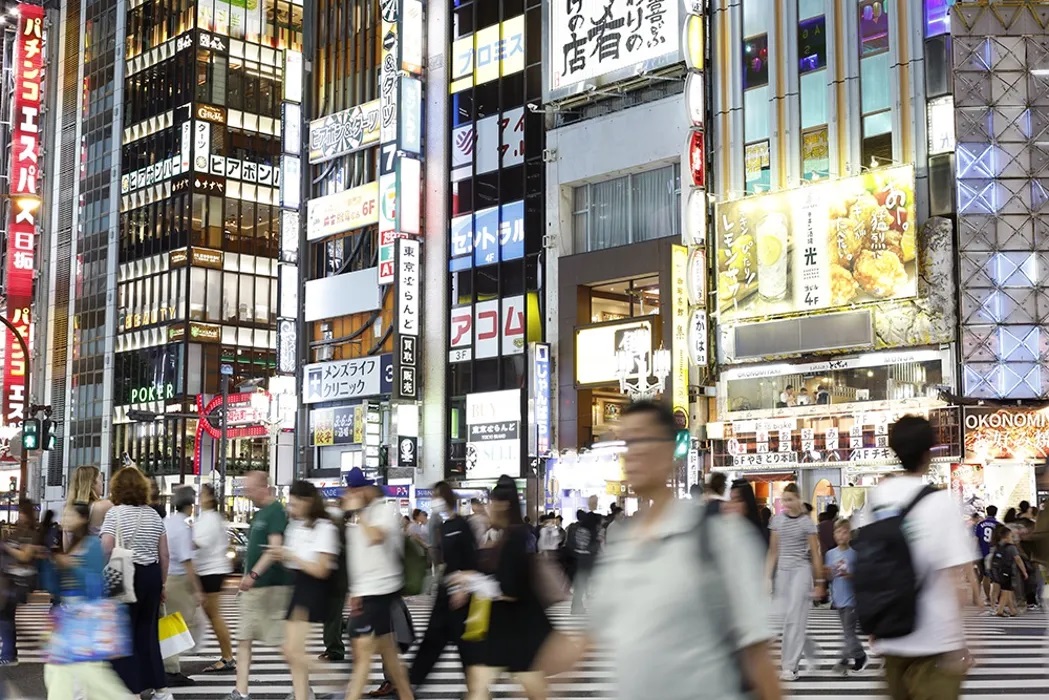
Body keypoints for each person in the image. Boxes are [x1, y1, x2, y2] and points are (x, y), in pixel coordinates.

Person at [577, 400, 781, 700]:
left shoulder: (720, 538)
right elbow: (590, 636)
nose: (632, 453)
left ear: (671, 450)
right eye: (627, 442)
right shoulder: (622, 545)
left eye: (642, 439)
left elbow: (758, 655)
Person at [857, 415, 974, 700]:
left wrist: (875, 623)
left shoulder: (875, 499)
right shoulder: (939, 502)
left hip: (892, 640)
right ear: (928, 453)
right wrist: (964, 642)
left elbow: (865, 565)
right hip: (935, 642)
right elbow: (956, 580)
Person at [371, 482, 480, 698]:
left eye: (436, 496)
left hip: (461, 594)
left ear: (446, 498)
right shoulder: (444, 526)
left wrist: (463, 588)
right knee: (432, 640)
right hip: (445, 591)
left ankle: (478, 689)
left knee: (465, 646)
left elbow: (472, 559)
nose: (434, 501)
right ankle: (410, 684)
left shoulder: (462, 525)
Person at [466, 475, 557, 700]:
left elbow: (510, 589)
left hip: (516, 629)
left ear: (503, 504)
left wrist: (474, 582)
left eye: (490, 503)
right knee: (480, 682)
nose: (487, 508)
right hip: (509, 629)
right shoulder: (509, 535)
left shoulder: (515, 537)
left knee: (528, 689)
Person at [42, 501, 132, 698]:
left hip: (86, 618)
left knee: (91, 675)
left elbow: (95, 583)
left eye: (70, 515)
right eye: (64, 515)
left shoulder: (91, 545)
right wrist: (47, 563)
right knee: (60, 670)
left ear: (82, 519)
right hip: (68, 617)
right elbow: (54, 587)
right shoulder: (70, 545)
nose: (64, 519)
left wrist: (70, 565)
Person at [100, 466, 171, 698]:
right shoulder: (153, 515)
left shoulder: (114, 513)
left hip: (125, 573)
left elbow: (107, 547)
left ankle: (130, 688)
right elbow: (165, 554)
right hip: (151, 576)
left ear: (117, 489)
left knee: (122, 632)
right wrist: (161, 584)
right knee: (148, 632)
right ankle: (161, 689)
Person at [342, 468, 413, 700]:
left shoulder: (384, 509)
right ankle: (406, 696)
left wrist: (359, 512)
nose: (353, 492)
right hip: (367, 592)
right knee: (390, 656)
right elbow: (359, 556)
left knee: (362, 658)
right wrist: (354, 592)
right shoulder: (360, 514)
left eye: (357, 488)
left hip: (381, 590)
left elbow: (375, 537)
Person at [226, 471, 293, 700]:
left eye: (250, 488)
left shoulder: (275, 512)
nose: (247, 492)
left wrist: (253, 575)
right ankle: (241, 691)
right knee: (244, 638)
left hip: (271, 587)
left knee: (282, 643)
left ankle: (304, 689)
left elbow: (275, 550)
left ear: (263, 487)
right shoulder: (260, 513)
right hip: (256, 588)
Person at [276, 480, 339, 700]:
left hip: (314, 588)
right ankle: (302, 695)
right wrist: (284, 556)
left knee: (292, 651)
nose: (291, 509)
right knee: (291, 651)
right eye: (290, 504)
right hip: (299, 585)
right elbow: (292, 559)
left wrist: (291, 556)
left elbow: (322, 569)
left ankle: (334, 679)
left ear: (308, 501)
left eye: (295, 504)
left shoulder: (324, 527)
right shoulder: (295, 525)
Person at [766, 483, 825, 681]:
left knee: (795, 619)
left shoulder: (807, 523)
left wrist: (819, 581)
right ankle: (808, 649)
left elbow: (815, 553)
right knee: (785, 618)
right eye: (784, 500)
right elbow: (773, 551)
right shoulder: (777, 521)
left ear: (799, 499)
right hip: (783, 572)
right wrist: (766, 577)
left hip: (801, 571)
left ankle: (789, 666)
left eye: (790, 499)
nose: (786, 504)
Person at [163, 485, 206, 687]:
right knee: (177, 625)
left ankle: (170, 668)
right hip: (178, 581)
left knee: (171, 623)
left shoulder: (167, 523)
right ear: (189, 505)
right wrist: (197, 590)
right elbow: (187, 561)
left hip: (166, 577)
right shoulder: (182, 528)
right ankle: (170, 670)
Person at [194, 483, 235, 673]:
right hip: (207, 570)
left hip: (212, 571)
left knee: (214, 615)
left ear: (210, 498)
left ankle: (227, 657)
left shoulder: (211, 518)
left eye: (202, 494)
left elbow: (200, 543)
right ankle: (227, 656)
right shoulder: (206, 517)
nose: (199, 497)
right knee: (211, 615)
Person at [0, 498, 41, 665]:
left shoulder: (32, 534)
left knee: (5, 615)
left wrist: (7, 547)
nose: (21, 515)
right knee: (6, 615)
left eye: (23, 512)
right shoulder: (18, 531)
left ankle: (8, 653)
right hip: (10, 578)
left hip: (20, 580)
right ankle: (9, 653)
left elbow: (25, 556)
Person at [824, 519, 866, 674]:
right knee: (849, 632)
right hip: (838, 598)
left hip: (852, 599)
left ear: (850, 535)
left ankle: (844, 659)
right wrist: (827, 574)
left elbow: (860, 577)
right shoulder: (830, 554)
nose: (841, 535)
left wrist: (850, 575)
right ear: (834, 535)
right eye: (838, 532)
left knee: (848, 632)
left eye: (845, 531)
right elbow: (829, 577)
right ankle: (859, 655)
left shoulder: (854, 555)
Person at [568, 496, 601, 614]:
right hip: (586, 557)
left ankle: (577, 605)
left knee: (581, 582)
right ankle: (577, 606)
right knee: (582, 581)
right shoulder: (590, 526)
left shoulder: (578, 527)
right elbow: (592, 543)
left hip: (579, 557)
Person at [65, 466, 113, 546]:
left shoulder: (68, 510)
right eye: (100, 479)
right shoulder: (103, 506)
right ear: (92, 483)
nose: (103, 483)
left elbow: (66, 546)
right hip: (97, 556)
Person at [729, 479, 769, 547]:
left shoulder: (761, 536)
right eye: (731, 500)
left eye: (737, 500)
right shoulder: (727, 533)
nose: (732, 505)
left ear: (748, 502)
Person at [974, 506, 1000, 606]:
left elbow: (976, 539)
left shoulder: (980, 524)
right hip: (994, 553)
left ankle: (988, 597)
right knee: (997, 576)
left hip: (982, 552)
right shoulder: (997, 525)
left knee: (985, 576)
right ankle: (996, 597)